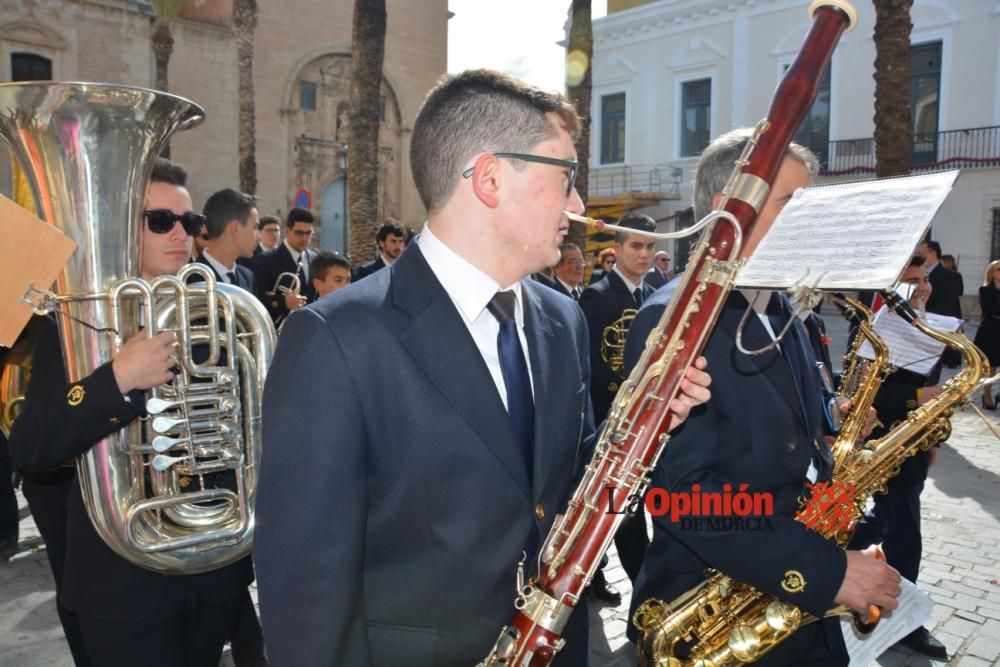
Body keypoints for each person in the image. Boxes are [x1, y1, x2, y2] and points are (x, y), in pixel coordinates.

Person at [254, 69, 711, 667]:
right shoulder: (335, 338)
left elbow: (557, 483)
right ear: (491, 178)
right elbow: (303, 592)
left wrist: (649, 415)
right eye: (565, 176)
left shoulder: (560, 317)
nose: (577, 206)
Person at [623, 129, 901, 666]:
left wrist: (830, 425)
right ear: (734, 209)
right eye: (791, 204)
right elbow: (682, 497)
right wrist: (830, 571)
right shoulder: (674, 319)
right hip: (716, 615)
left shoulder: (785, 306)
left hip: (796, 601)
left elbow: (783, 433)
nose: (810, 219)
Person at [8, 158, 261, 667]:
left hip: (213, 571)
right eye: (159, 221)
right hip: (121, 586)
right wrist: (118, 379)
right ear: (127, 228)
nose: (180, 235)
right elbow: (32, 447)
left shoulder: (217, 313)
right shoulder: (79, 322)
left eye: (189, 224)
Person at [848, 255, 948, 660]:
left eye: (925, 279)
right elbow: (862, 390)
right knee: (905, 529)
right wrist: (914, 399)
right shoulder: (879, 325)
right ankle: (904, 618)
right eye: (912, 281)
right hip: (887, 442)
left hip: (914, 443)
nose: (922, 287)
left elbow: (932, 388)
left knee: (889, 519)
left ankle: (829, 558)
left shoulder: (927, 320)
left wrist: (934, 439)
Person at [253, 207, 317, 325]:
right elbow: (255, 298)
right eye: (299, 233)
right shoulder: (267, 259)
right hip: (279, 329)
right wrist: (283, 302)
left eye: (308, 233)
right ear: (287, 231)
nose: (304, 238)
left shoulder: (314, 258)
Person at [196, 187, 258, 292]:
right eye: (255, 227)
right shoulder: (192, 279)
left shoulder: (247, 277)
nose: (259, 236)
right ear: (236, 228)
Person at [974, 259, 1000, 409]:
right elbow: (990, 310)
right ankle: (987, 394)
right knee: (990, 367)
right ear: (992, 272)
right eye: (998, 269)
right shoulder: (985, 290)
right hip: (990, 331)